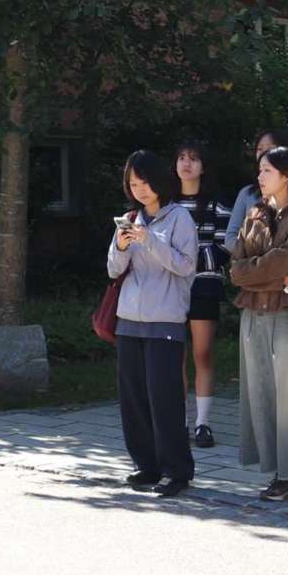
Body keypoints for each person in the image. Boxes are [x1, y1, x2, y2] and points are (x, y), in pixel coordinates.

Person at [226, 145, 288, 503]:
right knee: (261, 393)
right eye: (259, 170)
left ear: (286, 175)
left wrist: (265, 274)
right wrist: (276, 278)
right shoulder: (255, 212)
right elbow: (236, 270)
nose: (259, 176)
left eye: (266, 170)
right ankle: (282, 474)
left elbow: (287, 258)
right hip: (253, 313)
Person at [108, 150, 201, 498]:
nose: (140, 190)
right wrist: (121, 246)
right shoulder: (130, 218)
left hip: (165, 321)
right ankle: (146, 465)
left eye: (145, 183)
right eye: (134, 184)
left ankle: (177, 471)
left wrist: (150, 241)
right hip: (128, 321)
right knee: (133, 399)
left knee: (165, 399)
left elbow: (185, 265)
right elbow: (113, 270)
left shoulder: (179, 218)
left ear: (159, 181)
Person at [171, 142, 232, 449]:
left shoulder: (217, 204)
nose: (186, 164)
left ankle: (203, 423)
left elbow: (225, 247)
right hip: (169, 288)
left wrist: (185, 259)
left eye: (193, 159)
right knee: (175, 356)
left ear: (203, 166)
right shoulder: (166, 204)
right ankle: (179, 422)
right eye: (182, 158)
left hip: (204, 286)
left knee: (202, 353)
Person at [224, 125, 288, 252]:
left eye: (271, 148)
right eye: (260, 149)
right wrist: (253, 257)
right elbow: (230, 238)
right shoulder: (247, 194)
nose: (264, 153)